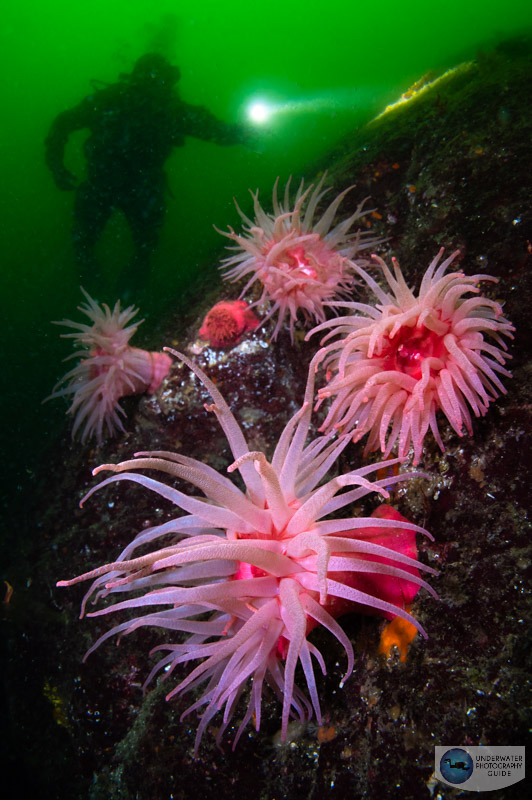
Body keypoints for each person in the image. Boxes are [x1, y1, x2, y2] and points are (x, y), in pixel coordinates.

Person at [45, 53, 252, 292]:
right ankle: (103, 301)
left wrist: (57, 166)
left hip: (125, 184)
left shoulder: (125, 102)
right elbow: (218, 132)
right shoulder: (157, 107)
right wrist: (56, 167)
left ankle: (119, 302)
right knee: (96, 248)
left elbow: (217, 131)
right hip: (122, 185)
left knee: (131, 249)